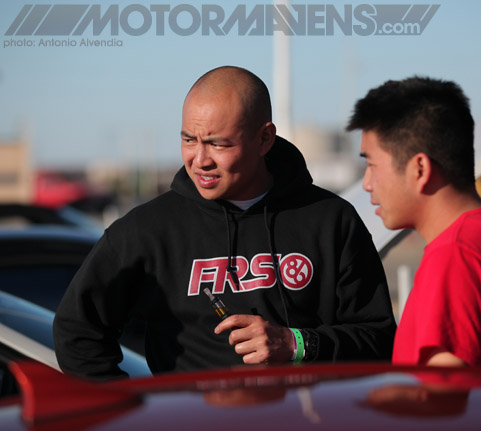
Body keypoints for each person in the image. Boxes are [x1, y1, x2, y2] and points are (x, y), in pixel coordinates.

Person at [53, 66, 396, 379]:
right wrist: (138, 418)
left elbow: (379, 340)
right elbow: (77, 333)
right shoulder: (147, 230)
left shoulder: (331, 220)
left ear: (264, 139)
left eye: (218, 143)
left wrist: (295, 344)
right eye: (189, 139)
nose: (199, 160)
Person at [347, 76, 481, 372]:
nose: (367, 184)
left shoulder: (457, 253)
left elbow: (443, 404)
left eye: (371, 165)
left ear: (420, 169)